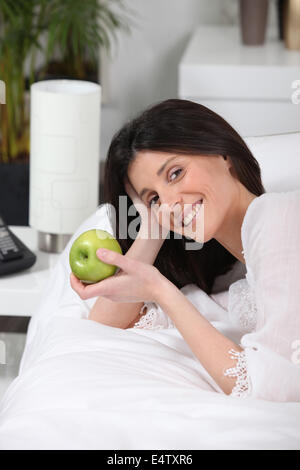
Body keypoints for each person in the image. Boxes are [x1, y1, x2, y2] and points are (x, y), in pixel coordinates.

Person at [70, 99, 300, 401]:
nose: (169, 202)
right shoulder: (247, 267)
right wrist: (155, 224)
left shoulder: (276, 218)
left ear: (222, 153)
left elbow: (267, 387)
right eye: (153, 198)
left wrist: (160, 290)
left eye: (175, 173)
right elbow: (104, 326)